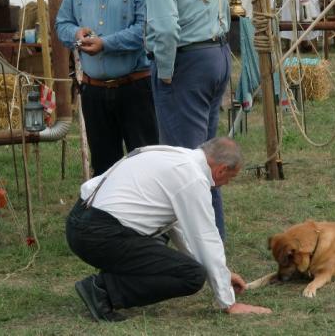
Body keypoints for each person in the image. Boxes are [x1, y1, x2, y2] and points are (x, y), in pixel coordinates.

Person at [65, 137, 272, 321]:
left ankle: (109, 283)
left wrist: (223, 276)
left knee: (167, 246)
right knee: (191, 275)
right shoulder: (193, 179)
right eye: (231, 178)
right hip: (99, 234)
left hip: (80, 222)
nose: (226, 183)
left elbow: (181, 231)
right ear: (221, 170)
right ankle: (103, 291)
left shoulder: (174, 156)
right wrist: (229, 303)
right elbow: (205, 240)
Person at [143, 0, 231, 240]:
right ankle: (212, 232)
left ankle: (201, 240)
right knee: (204, 155)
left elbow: (166, 30)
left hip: (188, 63)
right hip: (216, 55)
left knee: (185, 162)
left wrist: (166, 72)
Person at [55, 0, 158, 176]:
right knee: (103, 170)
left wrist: (105, 44)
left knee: (146, 166)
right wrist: (76, 33)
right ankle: (109, 210)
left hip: (136, 88)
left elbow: (145, 29)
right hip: (94, 90)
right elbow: (62, 23)